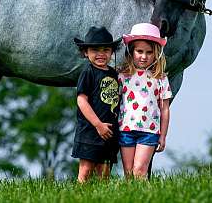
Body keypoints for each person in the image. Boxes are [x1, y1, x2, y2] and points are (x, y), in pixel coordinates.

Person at [117, 23, 171, 179]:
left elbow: (165, 109)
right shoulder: (122, 76)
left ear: (156, 54)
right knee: (128, 172)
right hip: (126, 129)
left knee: (140, 170)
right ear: (131, 51)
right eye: (139, 51)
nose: (144, 56)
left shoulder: (160, 78)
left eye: (149, 52)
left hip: (149, 131)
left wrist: (163, 135)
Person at [71, 26, 121, 183]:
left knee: (104, 174)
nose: (101, 54)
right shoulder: (88, 72)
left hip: (110, 131)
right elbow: (81, 100)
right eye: (95, 50)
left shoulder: (114, 74)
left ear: (112, 52)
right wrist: (98, 124)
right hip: (90, 131)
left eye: (106, 49)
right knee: (85, 171)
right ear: (86, 52)